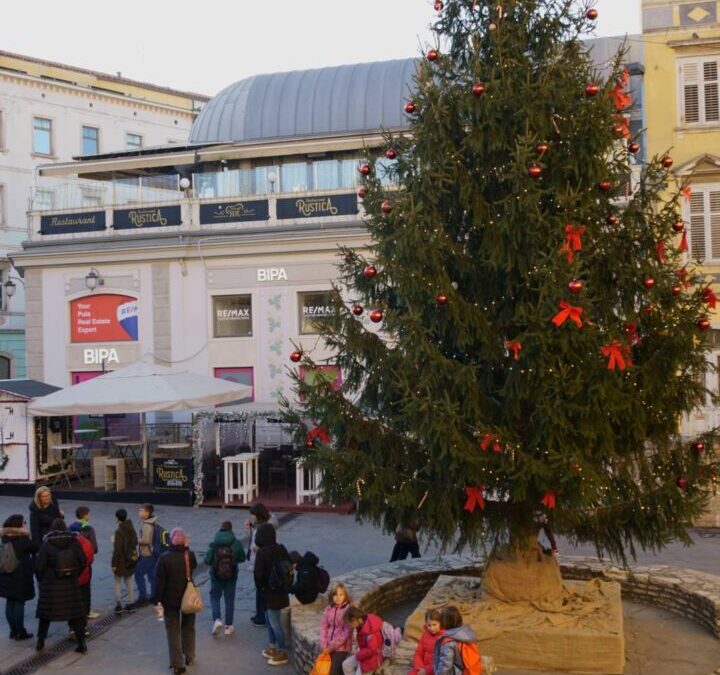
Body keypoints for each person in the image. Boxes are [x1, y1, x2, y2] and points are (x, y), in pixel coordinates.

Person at [34, 518, 87, 654]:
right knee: (76, 615)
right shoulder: (74, 541)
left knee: (45, 615)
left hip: (51, 585)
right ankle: (82, 644)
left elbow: (39, 566)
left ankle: (40, 642)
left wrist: (42, 580)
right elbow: (83, 561)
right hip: (70, 584)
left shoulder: (47, 544)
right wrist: (74, 574)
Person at [154, 527, 197, 675]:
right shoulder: (190, 555)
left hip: (170, 601)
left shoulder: (164, 558)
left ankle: (178, 665)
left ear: (171, 541)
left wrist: (156, 600)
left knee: (173, 631)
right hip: (188, 597)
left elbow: (159, 583)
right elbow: (193, 568)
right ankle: (190, 656)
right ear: (185, 541)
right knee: (189, 627)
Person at [253, 522, 291, 666]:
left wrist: (261, 588)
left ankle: (282, 652)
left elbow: (258, 575)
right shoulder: (281, 548)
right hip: (282, 590)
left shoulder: (262, 552)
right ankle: (272, 647)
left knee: (274, 622)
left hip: (270, 592)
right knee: (270, 619)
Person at [204, 520, 245, 636]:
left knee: (215, 597)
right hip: (231, 575)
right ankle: (228, 626)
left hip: (216, 575)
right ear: (231, 529)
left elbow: (207, 560)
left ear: (220, 529)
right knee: (229, 599)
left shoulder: (215, 542)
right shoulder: (236, 542)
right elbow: (242, 558)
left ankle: (217, 620)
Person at [0, 514, 38, 640]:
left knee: (10, 602)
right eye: (23, 522)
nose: (25, 524)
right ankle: (20, 631)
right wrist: (28, 535)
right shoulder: (22, 540)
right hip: (20, 575)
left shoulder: (5, 538)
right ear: (19, 525)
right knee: (19, 603)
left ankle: (13, 630)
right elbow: (35, 547)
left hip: (6, 574)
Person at [245, 503, 279, 627]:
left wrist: (255, 547)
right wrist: (249, 529)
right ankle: (260, 614)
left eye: (253, 515)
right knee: (259, 590)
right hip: (259, 560)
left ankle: (262, 616)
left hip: (262, 562)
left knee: (261, 590)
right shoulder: (260, 525)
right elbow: (254, 539)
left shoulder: (266, 527)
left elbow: (261, 544)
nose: (251, 518)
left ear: (258, 515)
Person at [68, 508, 98, 623]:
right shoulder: (89, 529)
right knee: (86, 589)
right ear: (85, 516)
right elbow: (94, 548)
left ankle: (76, 611)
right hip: (86, 563)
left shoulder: (70, 527)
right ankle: (86, 612)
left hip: (73, 563)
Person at [433, 606, 478, 675]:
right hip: (468, 670)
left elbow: (445, 665)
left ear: (444, 622)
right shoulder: (466, 634)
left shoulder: (448, 642)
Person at [319, 582, 353, 675]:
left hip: (341, 648)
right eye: (335, 594)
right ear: (331, 596)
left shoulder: (348, 610)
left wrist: (331, 647)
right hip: (328, 645)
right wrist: (324, 644)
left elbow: (347, 633)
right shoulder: (329, 609)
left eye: (341, 595)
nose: (338, 597)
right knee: (323, 668)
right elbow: (323, 626)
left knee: (332, 672)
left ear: (345, 596)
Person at [67, 522, 94, 638]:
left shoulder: (66, 542)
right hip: (84, 577)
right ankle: (84, 627)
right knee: (84, 601)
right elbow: (90, 560)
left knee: (71, 603)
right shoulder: (86, 542)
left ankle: (72, 628)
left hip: (70, 579)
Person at [342, 605, 385, 675]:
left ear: (355, 620)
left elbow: (372, 650)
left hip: (372, 660)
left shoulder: (371, 631)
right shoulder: (361, 626)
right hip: (363, 656)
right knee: (346, 665)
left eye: (349, 624)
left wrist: (358, 655)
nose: (349, 626)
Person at [111, 508, 138, 614]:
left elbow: (117, 550)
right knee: (129, 581)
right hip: (130, 559)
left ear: (117, 518)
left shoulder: (119, 531)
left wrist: (114, 564)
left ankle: (118, 605)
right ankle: (131, 603)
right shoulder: (131, 528)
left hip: (121, 560)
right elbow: (135, 542)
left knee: (117, 582)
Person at [135, 503, 158, 605]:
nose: (139, 512)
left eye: (141, 510)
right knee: (152, 576)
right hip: (153, 553)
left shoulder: (146, 526)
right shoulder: (153, 522)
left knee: (138, 574)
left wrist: (136, 539)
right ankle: (154, 596)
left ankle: (142, 597)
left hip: (147, 554)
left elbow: (145, 541)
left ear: (147, 513)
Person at [410, 609, 444, 675]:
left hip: (436, 670)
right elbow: (419, 652)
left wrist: (427, 671)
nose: (431, 628)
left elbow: (443, 660)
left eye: (434, 625)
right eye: (429, 625)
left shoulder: (444, 637)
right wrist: (419, 667)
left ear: (440, 623)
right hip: (423, 667)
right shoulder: (425, 635)